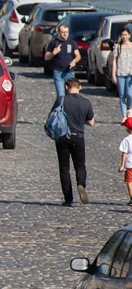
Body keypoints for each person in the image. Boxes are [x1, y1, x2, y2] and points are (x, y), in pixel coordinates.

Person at [53, 78, 94, 206]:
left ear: (66, 87)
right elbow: (91, 122)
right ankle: (81, 184)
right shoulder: (86, 102)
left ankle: (68, 198)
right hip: (78, 136)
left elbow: (52, 116)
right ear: (79, 87)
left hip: (63, 136)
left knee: (64, 167)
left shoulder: (61, 100)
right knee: (80, 165)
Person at [45, 24, 82, 98]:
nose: (65, 34)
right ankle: (60, 109)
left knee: (71, 95)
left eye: (67, 32)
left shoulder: (71, 42)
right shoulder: (54, 43)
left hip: (70, 72)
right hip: (58, 72)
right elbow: (46, 57)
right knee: (61, 95)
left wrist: (74, 61)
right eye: (63, 32)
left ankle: (69, 109)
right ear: (59, 32)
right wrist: (54, 53)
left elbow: (78, 56)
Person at [110, 26, 132, 117]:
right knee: (122, 94)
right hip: (120, 73)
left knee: (129, 93)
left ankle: (129, 108)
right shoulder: (118, 47)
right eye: (122, 35)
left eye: (126, 34)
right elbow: (114, 61)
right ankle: (124, 115)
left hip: (130, 73)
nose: (124, 36)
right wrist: (113, 74)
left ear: (129, 35)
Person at [119, 116, 132, 206]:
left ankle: (131, 197)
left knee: (129, 181)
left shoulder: (126, 140)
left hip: (129, 164)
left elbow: (124, 153)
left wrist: (122, 165)